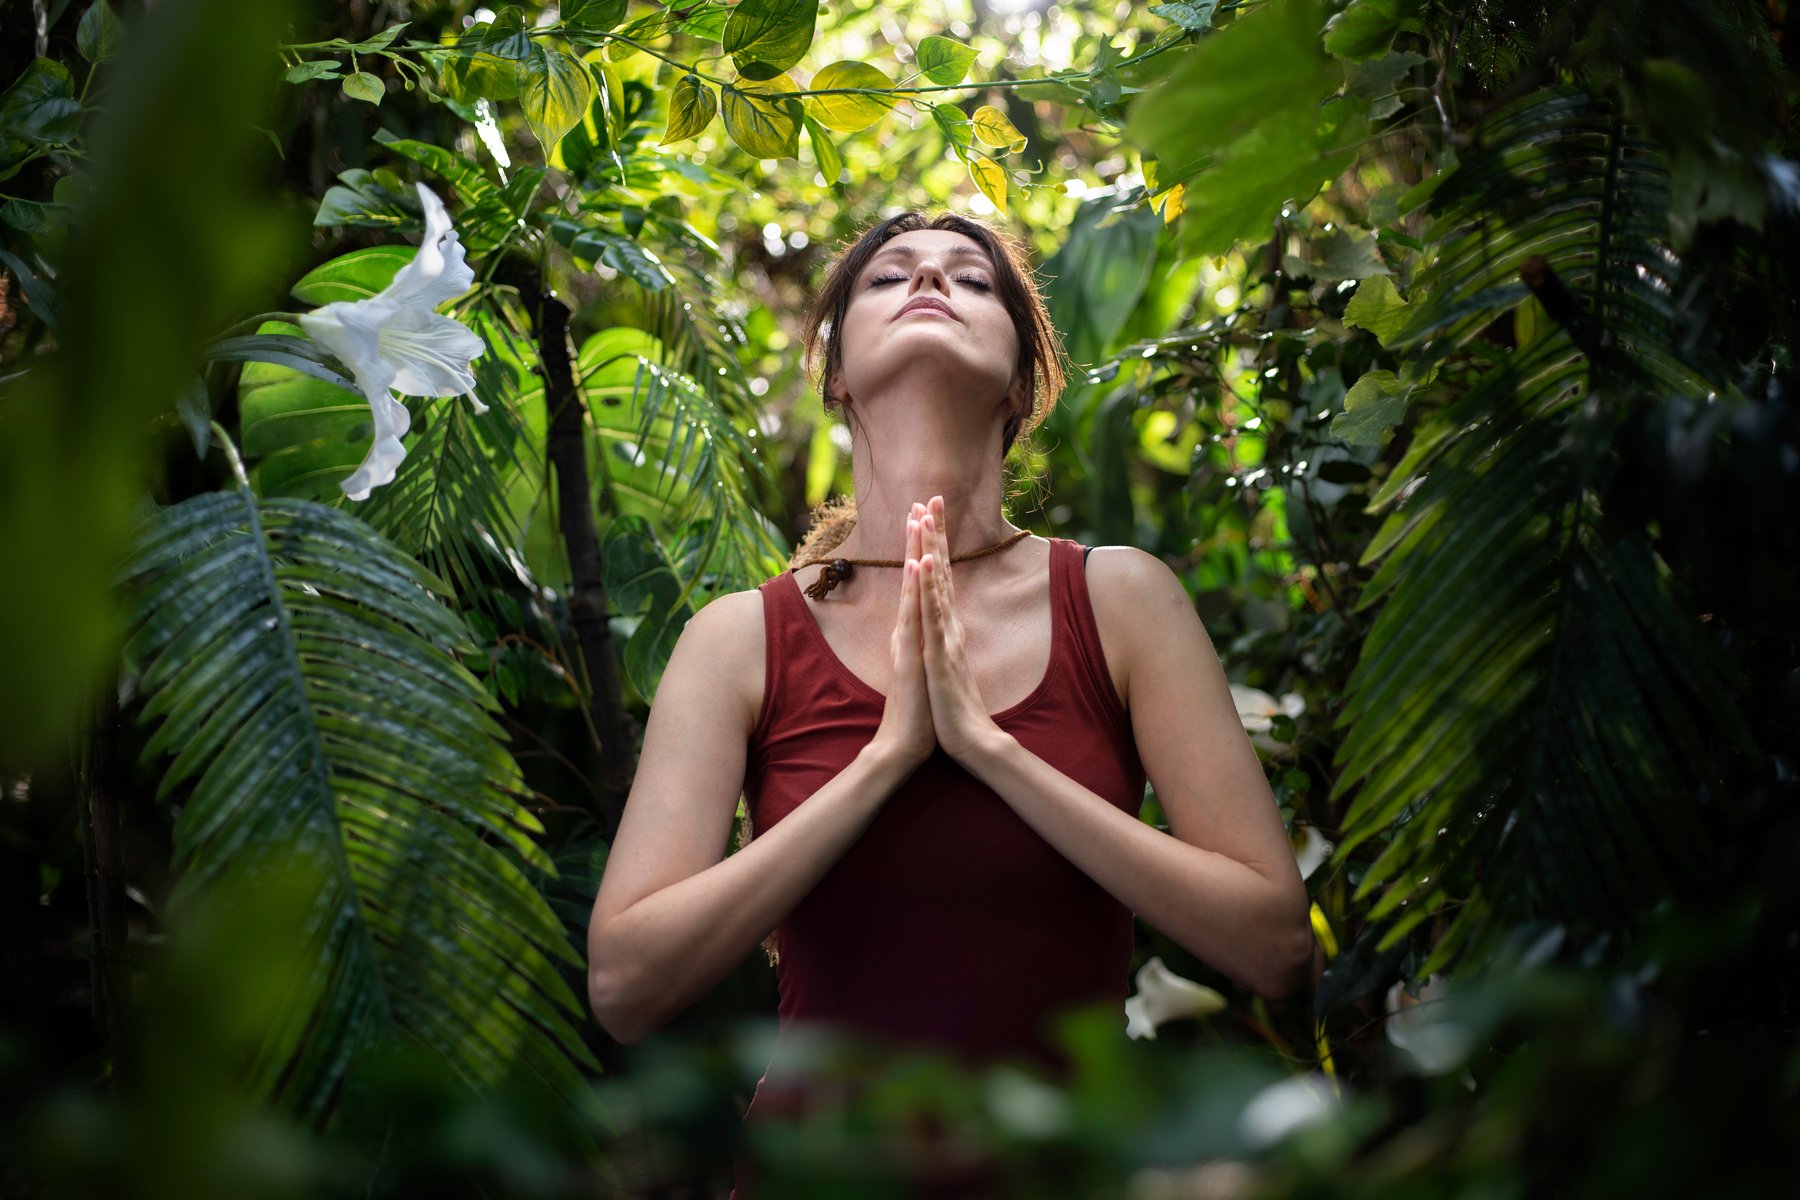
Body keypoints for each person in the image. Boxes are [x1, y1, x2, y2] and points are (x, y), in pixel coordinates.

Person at [584, 211, 1314, 1196]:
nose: (930, 278)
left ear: (1021, 382)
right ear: (837, 372)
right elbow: (626, 985)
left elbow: (1274, 946)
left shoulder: (1120, 600)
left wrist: (989, 748)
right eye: (888, 277)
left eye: (972, 279)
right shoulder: (740, 638)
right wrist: (888, 758)